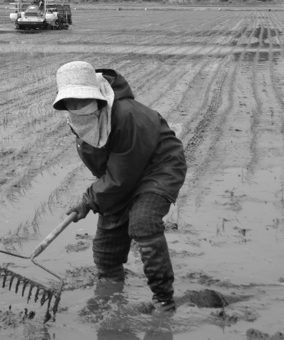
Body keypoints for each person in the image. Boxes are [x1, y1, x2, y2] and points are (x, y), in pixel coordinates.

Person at [53, 61, 186, 314]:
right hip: (121, 173)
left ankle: (164, 301)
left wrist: (90, 199)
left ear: (96, 95)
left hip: (158, 168)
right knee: (106, 249)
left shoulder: (126, 115)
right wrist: (96, 199)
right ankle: (110, 288)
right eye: (70, 102)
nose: (76, 107)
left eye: (82, 100)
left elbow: (122, 175)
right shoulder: (82, 120)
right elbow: (110, 170)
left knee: (143, 221)